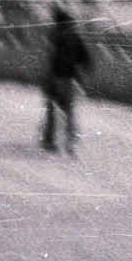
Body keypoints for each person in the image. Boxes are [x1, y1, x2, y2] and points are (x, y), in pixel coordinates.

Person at [41, 9, 93, 155]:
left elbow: (49, 58)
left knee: (53, 110)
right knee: (69, 111)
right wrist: (84, 71)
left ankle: (50, 140)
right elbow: (85, 58)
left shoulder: (55, 36)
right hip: (70, 78)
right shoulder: (75, 37)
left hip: (57, 77)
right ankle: (70, 140)